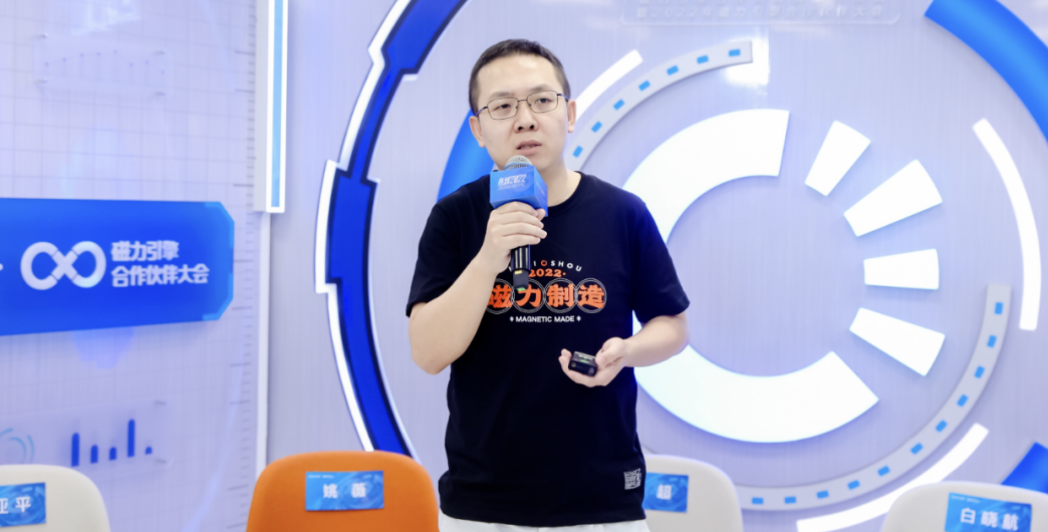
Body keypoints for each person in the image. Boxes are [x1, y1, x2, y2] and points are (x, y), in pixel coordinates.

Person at [407, 39, 690, 532]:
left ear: (569, 113)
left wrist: (626, 351)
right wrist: (489, 257)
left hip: (601, 501)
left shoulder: (622, 213)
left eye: (541, 100)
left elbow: (672, 326)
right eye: (502, 106)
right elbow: (428, 353)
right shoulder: (455, 217)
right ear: (478, 130)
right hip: (482, 505)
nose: (525, 120)